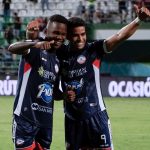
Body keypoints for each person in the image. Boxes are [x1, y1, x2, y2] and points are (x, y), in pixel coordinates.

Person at [57, 5, 150, 150]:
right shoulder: (60, 53)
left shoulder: (94, 50)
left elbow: (119, 36)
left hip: (96, 116)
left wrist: (138, 20)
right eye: (76, 35)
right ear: (68, 36)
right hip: (72, 119)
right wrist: (64, 95)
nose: (80, 38)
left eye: (83, 34)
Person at [8, 14, 68, 150]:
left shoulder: (58, 59)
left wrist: (65, 95)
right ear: (46, 32)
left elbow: (53, 92)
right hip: (25, 117)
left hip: (46, 122)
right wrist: (35, 42)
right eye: (56, 33)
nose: (59, 37)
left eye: (63, 34)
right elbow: (12, 47)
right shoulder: (35, 47)